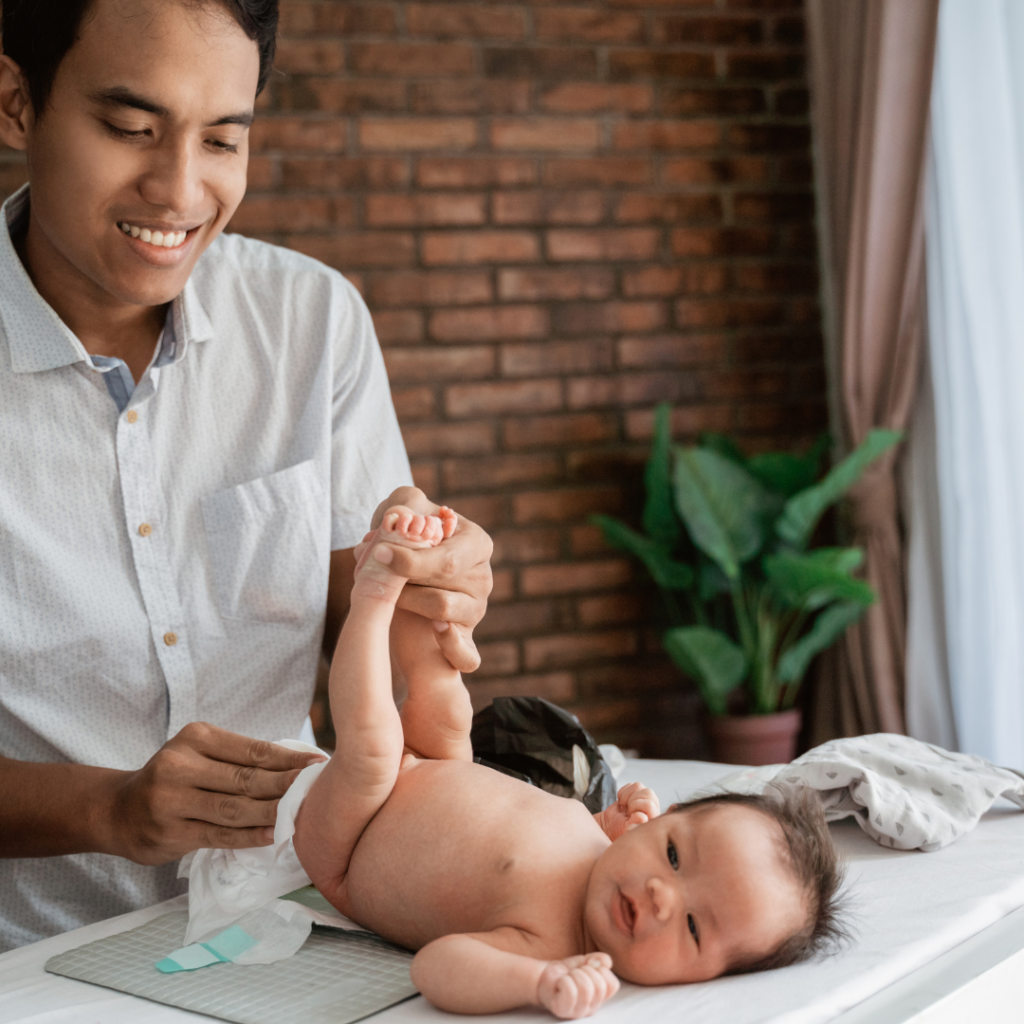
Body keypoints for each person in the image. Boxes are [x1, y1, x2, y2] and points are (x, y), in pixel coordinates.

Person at [0, 0, 492, 951]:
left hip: (302, 916)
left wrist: (430, 579)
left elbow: (370, 610)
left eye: (222, 140)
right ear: (17, 105)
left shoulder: (313, 320)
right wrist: (113, 811)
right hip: (34, 965)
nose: (180, 190)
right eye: (131, 129)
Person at [293, 508, 845, 1019]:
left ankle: (374, 593)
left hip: (349, 841)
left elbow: (436, 967)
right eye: (673, 853)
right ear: (667, 817)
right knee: (445, 704)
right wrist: (612, 820)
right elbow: (562, 823)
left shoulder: (553, 942)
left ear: (708, 977)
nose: (661, 894)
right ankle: (416, 566)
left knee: (371, 751)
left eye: (694, 927)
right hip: (441, 765)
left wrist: (535, 982)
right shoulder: (607, 848)